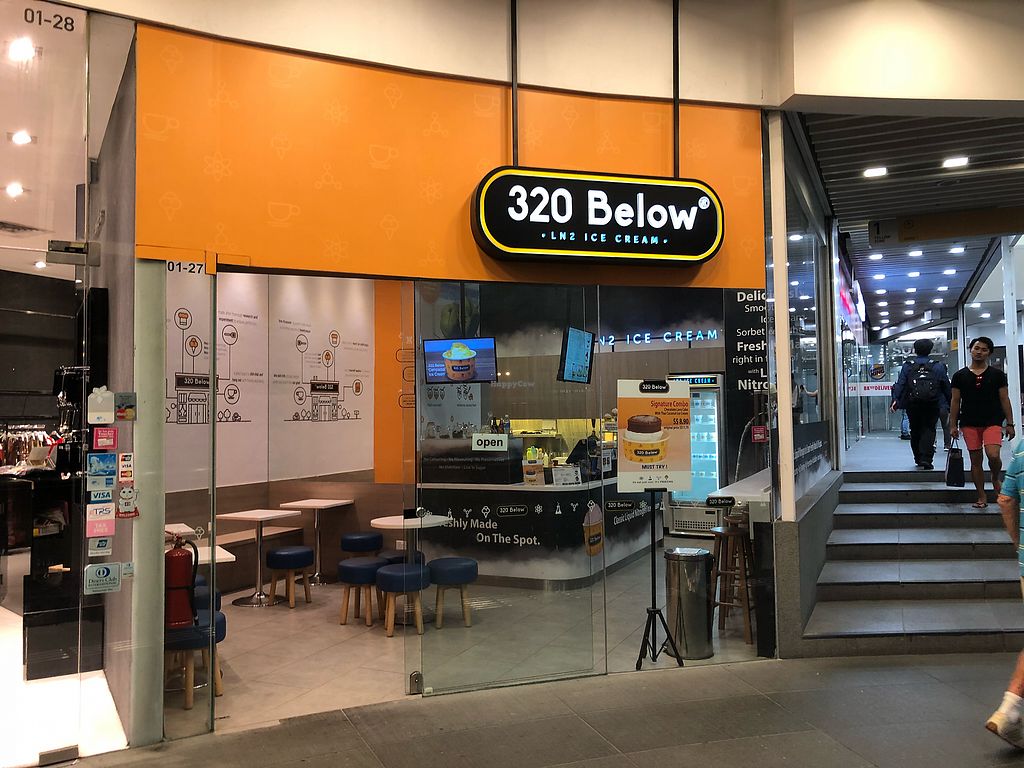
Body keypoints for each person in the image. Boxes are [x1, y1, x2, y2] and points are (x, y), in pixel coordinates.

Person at [987, 440, 1024, 747]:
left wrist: (1018, 544)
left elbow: (1005, 500)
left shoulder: (1023, 448)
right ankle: (1009, 711)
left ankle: (1009, 709)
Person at [950, 337, 1016, 508]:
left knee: (993, 455)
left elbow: (1005, 399)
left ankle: (994, 476)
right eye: (976, 348)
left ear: (989, 353)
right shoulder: (959, 376)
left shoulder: (997, 375)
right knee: (975, 460)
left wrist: (1010, 423)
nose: (979, 352)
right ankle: (981, 496)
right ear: (970, 349)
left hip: (992, 420)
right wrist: (952, 424)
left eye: (984, 349)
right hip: (969, 422)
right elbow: (955, 401)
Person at [890, 338, 951, 470]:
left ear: (915, 350)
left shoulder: (908, 366)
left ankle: (918, 457)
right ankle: (926, 458)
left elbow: (901, 384)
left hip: (912, 404)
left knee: (915, 429)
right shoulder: (938, 366)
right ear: (930, 350)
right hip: (933, 404)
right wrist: (950, 404)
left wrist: (895, 400)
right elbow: (946, 386)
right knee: (929, 428)